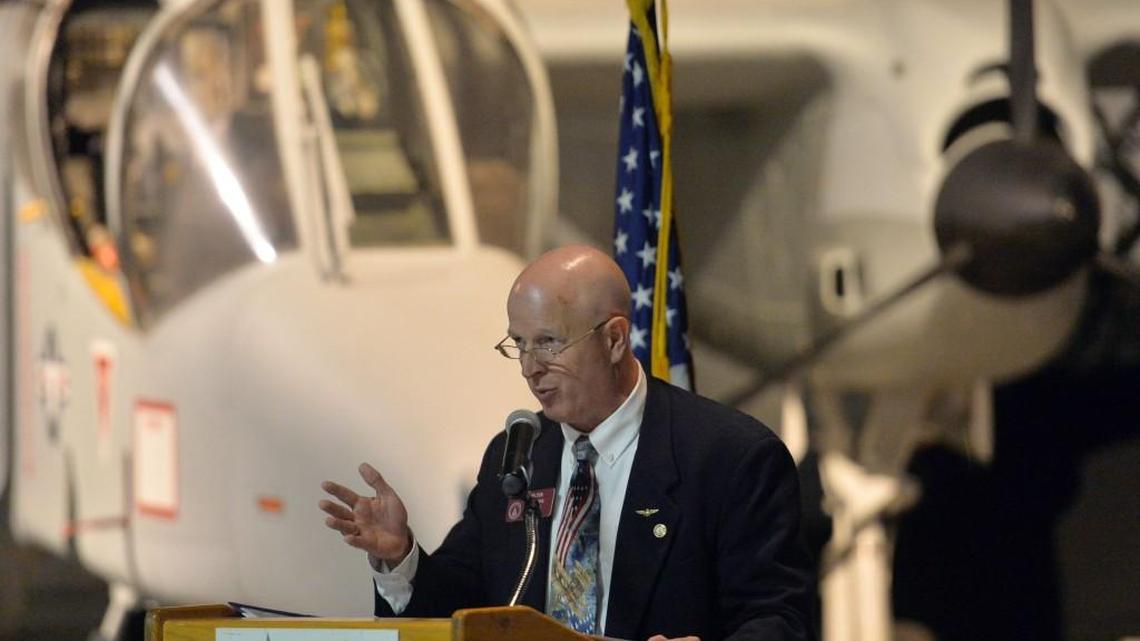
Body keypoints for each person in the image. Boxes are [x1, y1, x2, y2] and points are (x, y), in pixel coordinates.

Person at [320, 245, 815, 641]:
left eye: (549, 343)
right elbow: (463, 609)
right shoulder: (517, 455)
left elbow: (782, 619)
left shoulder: (730, 457)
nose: (529, 367)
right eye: (519, 343)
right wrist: (401, 556)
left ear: (615, 339)